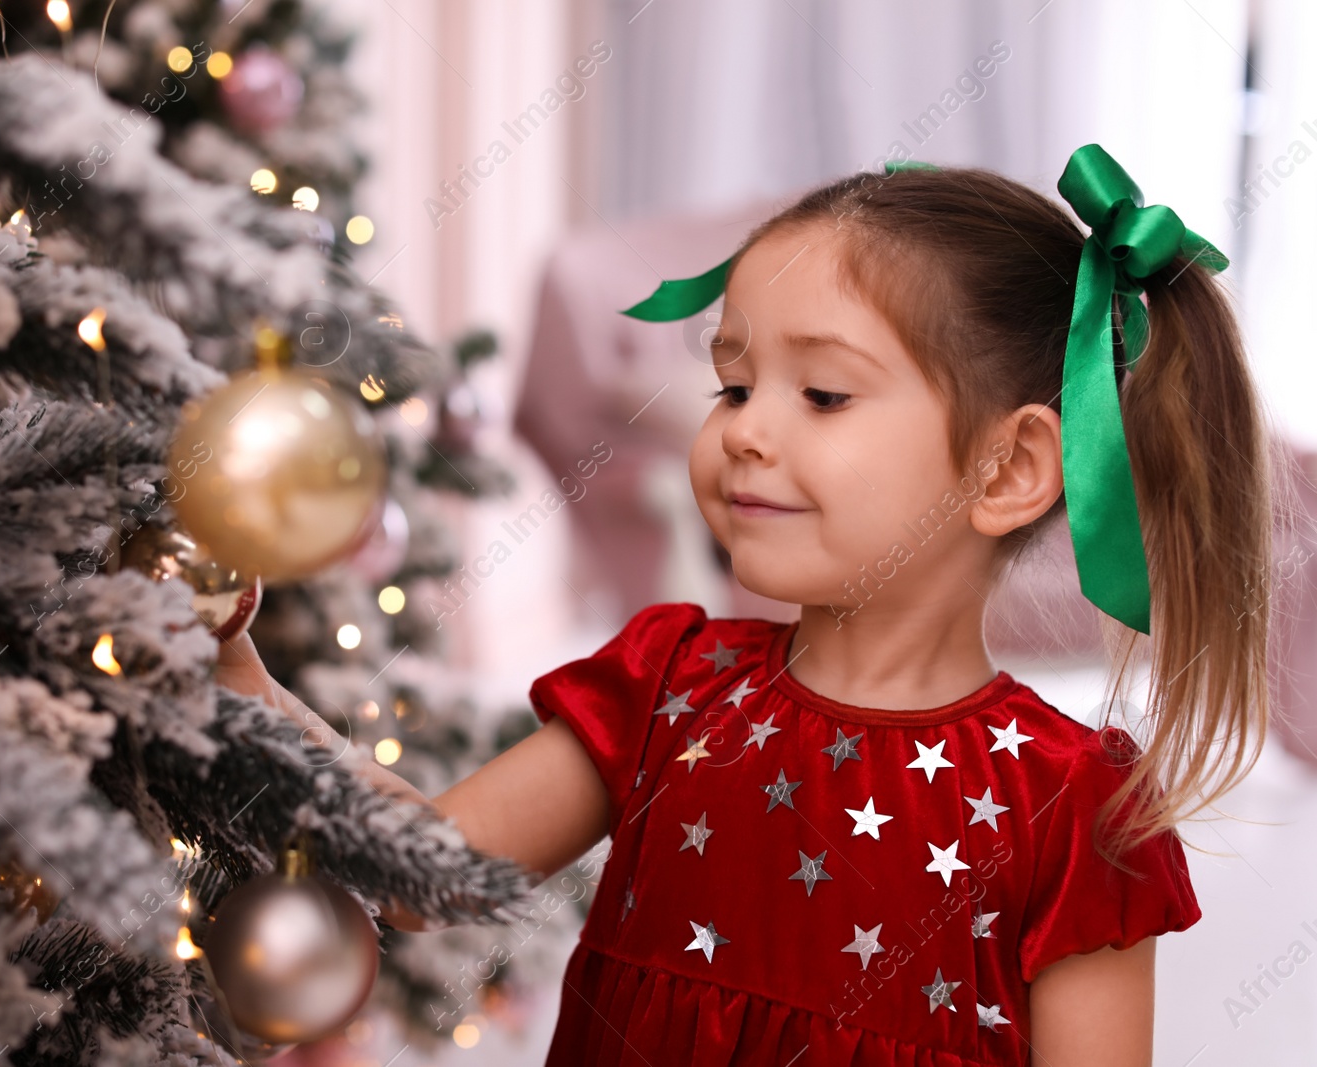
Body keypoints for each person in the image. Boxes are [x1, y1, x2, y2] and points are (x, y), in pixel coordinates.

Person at [216, 144, 1276, 1066]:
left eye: (820, 393)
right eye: (732, 384)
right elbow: (419, 874)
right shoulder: (668, 684)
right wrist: (239, 687)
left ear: (1006, 470)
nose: (743, 431)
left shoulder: (1071, 811)